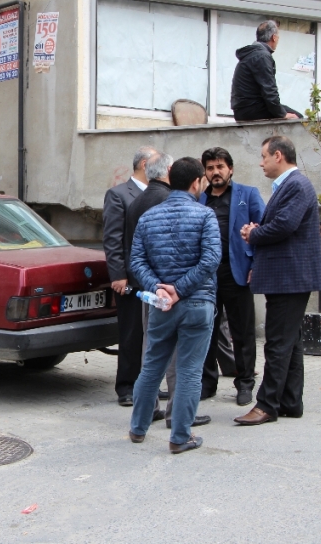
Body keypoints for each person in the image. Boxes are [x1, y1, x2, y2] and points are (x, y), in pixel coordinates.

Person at [128, 157, 221, 454]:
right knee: (190, 370)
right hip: (197, 303)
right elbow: (210, 260)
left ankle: (138, 428)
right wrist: (179, 290)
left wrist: (158, 288)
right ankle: (180, 437)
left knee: (152, 365)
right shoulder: (206, 216)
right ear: (197, 182)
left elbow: (136, 262)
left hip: (161, 305)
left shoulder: (148, 218)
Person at [236, 136, 321, 425]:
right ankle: (290, 401)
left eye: (263, 156)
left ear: (278, 156)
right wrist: (259, 229)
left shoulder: (297, 184)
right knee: (290, 342)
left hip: (289, 278)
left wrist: (253, 234)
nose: (260, 163)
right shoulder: (289, 185)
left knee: (276, 343)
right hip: (288, 278)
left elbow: (285, 225)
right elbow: (284, 223)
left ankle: (266, 405)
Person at [198, 147, 265, 406]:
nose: (216, 172)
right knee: (207, 331)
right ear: (205, 172)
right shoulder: (199, 200)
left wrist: (255, 265)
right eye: (211, 168)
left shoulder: (248, 195)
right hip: (206, 278)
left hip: (238, 274)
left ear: (231, 169)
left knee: (243, 332)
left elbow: (264, 231)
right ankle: (207, 382)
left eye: (220, 167)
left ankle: (245, 383)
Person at [103, 147, 161, 416]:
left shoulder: (159, 194)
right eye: (159, 163)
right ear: (144, 164)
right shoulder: (119, 195)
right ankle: (126, 385)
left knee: (152, 334)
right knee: (131, 333)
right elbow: (113, 238)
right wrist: (118, 275)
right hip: (129, 278)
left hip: (154, 277)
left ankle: (146, 384)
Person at [231, 20, 302, 122]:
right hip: (252, 109)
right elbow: (269, 91)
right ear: (274, 37)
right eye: (278, 37)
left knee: (284, 111)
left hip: (243, 109)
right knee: (297, 118)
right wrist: (282, 114)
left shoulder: (252, 54)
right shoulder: (262, 56)